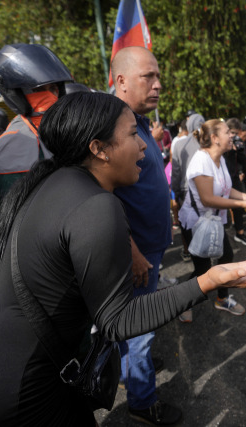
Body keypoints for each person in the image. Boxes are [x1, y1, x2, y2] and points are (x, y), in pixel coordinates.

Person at [0, 92, 246, 426]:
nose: (146, 146)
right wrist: (210, 280)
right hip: (6, 394)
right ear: (99, 148)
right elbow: (118, 321)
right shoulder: (97, 205)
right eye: (132, 135)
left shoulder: (49, 181)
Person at [110, 46, 180, 425]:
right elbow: (102, 196)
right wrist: (133, 250)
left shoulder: (135, 121)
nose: (158, 85)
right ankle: (143, 404)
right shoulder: (111, 126)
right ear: (120, 81)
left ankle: (133, 370)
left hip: (150, 249)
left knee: (137, 332)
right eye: (147, 77)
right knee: (140, 331)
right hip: (135, 255)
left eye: (158, 77)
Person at [178, 119, 246, 322]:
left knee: (226, 257)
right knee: (203, 270)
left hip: (213, 222)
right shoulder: (201, 160)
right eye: (228, 132)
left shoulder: (220, 159)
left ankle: (222, 298)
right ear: (214, 138)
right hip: (196, 223)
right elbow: (208, 198)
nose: (232, 135)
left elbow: (227, 189)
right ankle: (182, 301)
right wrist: (242, 205)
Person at [0, 43, 73, 196]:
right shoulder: (13, 142)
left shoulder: (69, 124)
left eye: (53, 88)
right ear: (15, 94)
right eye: (37, 90)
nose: (50, 96)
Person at [172, 113, 206, 263]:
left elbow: (176, 173)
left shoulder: (180, 144)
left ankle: (197, 263)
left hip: (186, 194)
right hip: (206, 193)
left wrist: (176, 194)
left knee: (189, 232)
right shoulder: (208, 144)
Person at [225, 118, 246, 246]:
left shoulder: (238, 142)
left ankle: (240, 233)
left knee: (239, 204)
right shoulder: (222, 141)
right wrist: (229, 149)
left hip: (235, 176)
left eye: (236, 133)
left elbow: (243, 159)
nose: (233, 136)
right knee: (223, 204)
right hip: (223, 177)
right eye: (231, 133)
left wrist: (238, 150)